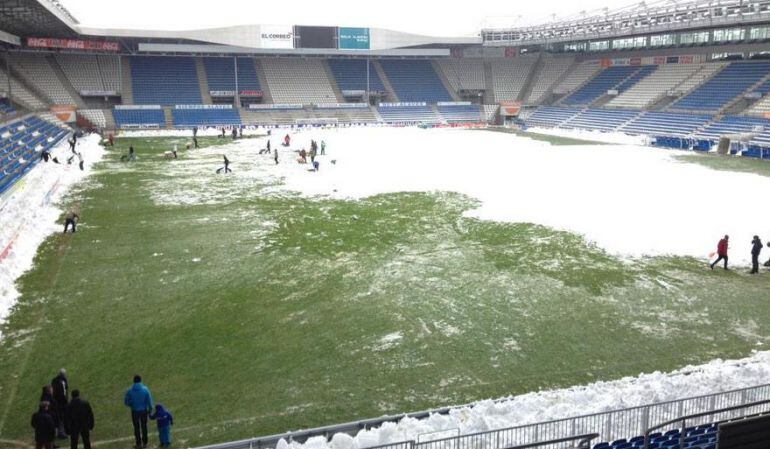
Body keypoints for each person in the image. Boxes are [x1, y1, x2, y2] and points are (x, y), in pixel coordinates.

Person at [124, 375, 154, 449]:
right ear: (140, 381)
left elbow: (126, 402)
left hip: (134, 411)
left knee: (136, 428)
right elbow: (149, 401)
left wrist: (132, 404)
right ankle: (145, 443)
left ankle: (138, 444)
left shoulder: (129, 390)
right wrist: (150, 409)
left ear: (133, 381)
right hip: (144, 411)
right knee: (144, 427)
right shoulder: (145, 389)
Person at [51, 369, 69, 438]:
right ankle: (61, 432)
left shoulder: (54, 380)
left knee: (58, 417)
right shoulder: (63, 381)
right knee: (61, 417)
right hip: (61, 402)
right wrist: (65, 401)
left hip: (55, 401)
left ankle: (59, 431)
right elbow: (63, 393)